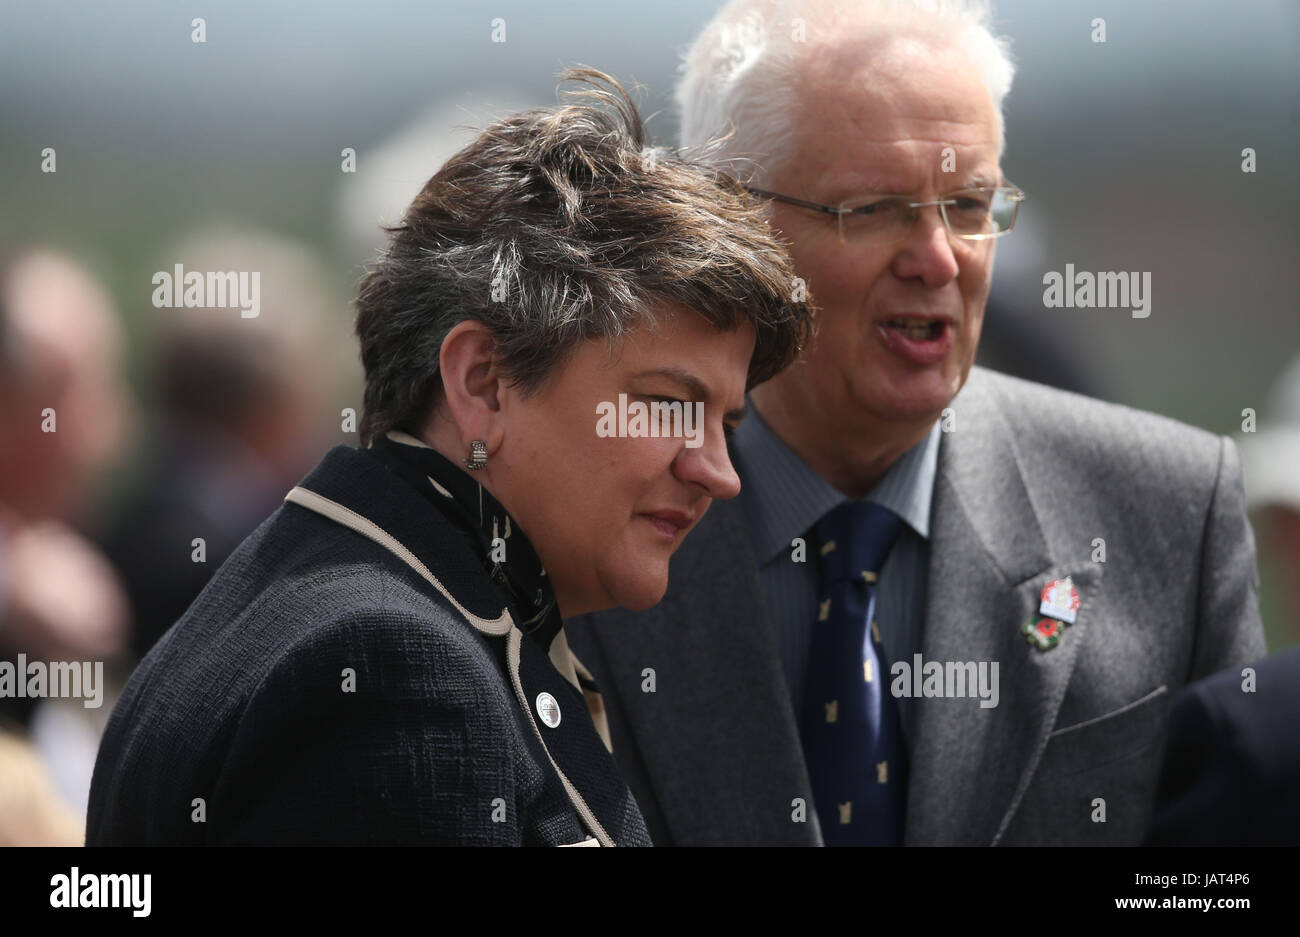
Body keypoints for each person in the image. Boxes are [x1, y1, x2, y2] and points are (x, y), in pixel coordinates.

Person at [566, 0, 1266, 846]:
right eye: (874, 209)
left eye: (970, 206)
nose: (939, 258)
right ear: (729, 223)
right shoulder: (575, 530)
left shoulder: (1170, 511)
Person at [85, 69, 811, 846]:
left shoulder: (348, 597)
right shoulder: (394, 671)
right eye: (669, 403)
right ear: (483, 382)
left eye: (726, 423)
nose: (717, 470)